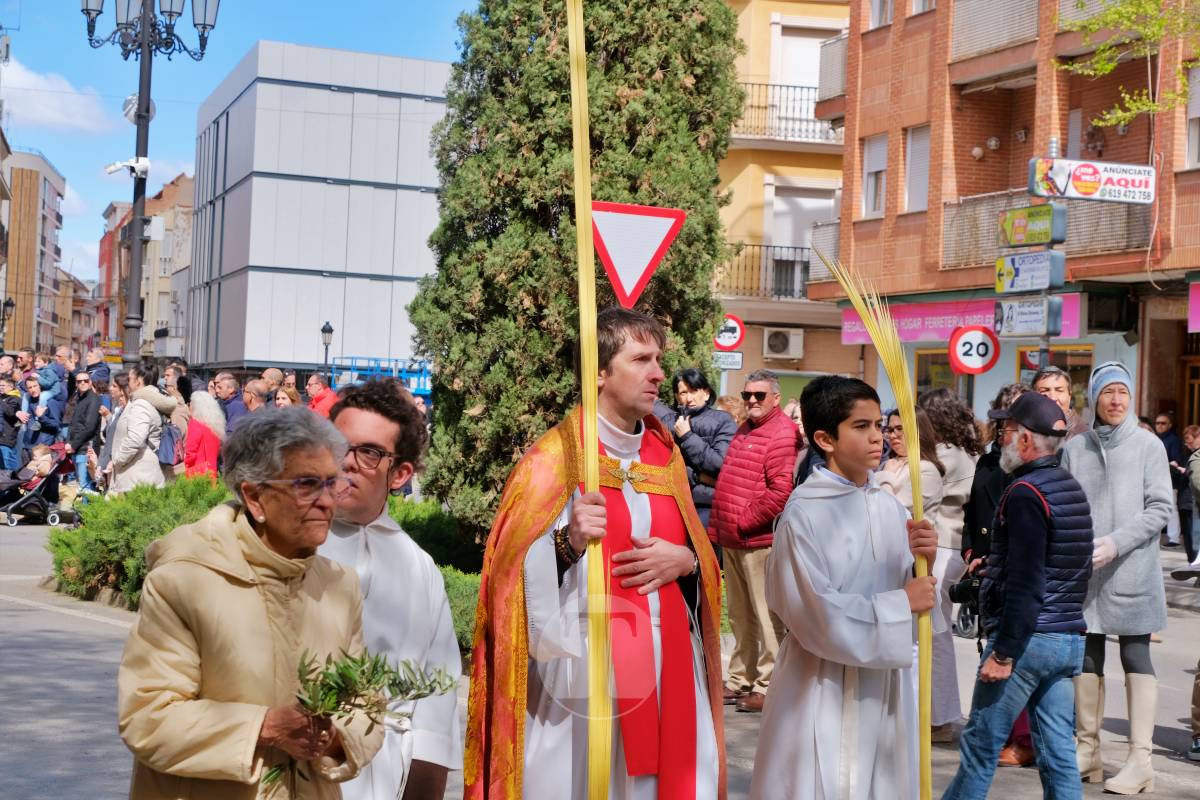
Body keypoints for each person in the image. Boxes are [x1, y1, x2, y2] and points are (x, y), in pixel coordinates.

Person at [465, 307, 724, 799]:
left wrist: (687, 562)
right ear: (600, 373)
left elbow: (701, 557)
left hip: (668, 667)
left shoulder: (664, 456)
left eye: (659, 360)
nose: (658, 374)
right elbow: (507, 578)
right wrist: (569, 542)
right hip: (584, 677)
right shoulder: (556, 457)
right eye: (641, 359)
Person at [117, 408, 384, 799]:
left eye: (333, 483)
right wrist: (265, 727)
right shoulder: (185, 581)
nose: (328, 502)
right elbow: (148, 717)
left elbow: (366, 702)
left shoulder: (339, 586)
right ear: (255, 497)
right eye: (307, 485)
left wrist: (333, 737)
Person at [747, 375, 938, 800]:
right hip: (820, 683)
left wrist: (924, 562)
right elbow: (814, 610)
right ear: (824, 438)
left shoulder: (890, 506)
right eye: (861, 426)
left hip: (882, 683)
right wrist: (900, 602)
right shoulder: (803, 514)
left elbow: (915, 596)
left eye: (878, 425)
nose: (878, 438)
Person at [941, 392, 1093, 799]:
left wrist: (1004, 653)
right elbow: (1064, 566)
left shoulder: (1027, 493)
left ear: (1026, 440)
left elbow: (1029, 582)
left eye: (1006, 430)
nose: (1001, 438)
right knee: (1058, 750)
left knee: (980, 748)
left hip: (1028, 642)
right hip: (1065, 639)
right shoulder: (1068, 487)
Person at [319, 380, 462, 799]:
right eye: (337, 445)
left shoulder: (419, 569)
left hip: (380, 771)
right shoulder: (285, 543)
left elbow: (436, 707)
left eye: (367, 453)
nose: (346, 462)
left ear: (399, 474)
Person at [1060, 361, 1172, 794]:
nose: (1116, 400)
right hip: (1086, 573)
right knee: (1086, 656)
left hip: (1132, 569)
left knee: (1135, 656)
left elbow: (1161, 507)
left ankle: (1140, 760)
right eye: (1107, 392)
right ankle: (1087, 750)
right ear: (1093, 398)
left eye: (1123, 392)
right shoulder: (1076, 448)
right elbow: (1066, 506)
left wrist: (1116, 542)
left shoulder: (1149, 446)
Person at [709, 369, 799, 713]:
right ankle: (739, 678)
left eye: (759, 396)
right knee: (741, 616)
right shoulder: (747, 427)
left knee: (765, 616)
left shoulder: (782, 433)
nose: (751, 401)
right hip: (733, 537)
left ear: (775, 398)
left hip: (757, 540)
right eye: (747, 395)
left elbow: (780, 491)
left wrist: (744, 521)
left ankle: (767, 683)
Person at [962, 382, 1037, 767]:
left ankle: (1022, 738)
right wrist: (971, 549)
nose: (1004, 427)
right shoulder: (988, 462)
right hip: (986, 564)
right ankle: (1002, 732)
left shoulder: (1030, 467)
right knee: (993, 646)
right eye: (1001, 418)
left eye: (1010, 420)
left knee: (1012, 653)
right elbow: (974, 510)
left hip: (1013, 568)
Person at [917, 388, 982, 740]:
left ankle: (938, 717)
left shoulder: (943, 455)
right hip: (952, 547)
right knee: (936, 632)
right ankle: (937, 713)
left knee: (935, 633)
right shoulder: (964, 451)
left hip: (943, 545)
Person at [671, 367, 736, 530]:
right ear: (677, 396)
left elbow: (719, 463)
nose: (689, 397)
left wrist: (687, 436)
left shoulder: (723, 420)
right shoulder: (671, 420)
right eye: (684, 392)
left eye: (694, 390)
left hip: (705, 506)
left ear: (706, 393)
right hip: (673, 501)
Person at [107, 364, 177, 495]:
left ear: (138, 381)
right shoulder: (148, 401)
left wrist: (118, 459)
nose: (128, 383)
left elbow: (135, 439)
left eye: (130, 379)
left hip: (139, 475)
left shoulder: (141, 404)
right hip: (141, 472)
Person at [65, 371, 102, 491]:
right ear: (76, 384)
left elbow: (89, 427)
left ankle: (86, 510)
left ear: (90, 382)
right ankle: (83, 509)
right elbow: (75, 425)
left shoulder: (93, 399)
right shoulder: (80, 399)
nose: (83, 383)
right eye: (79, 381)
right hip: (77, 448)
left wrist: (73, 444)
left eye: (85, 380)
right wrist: (69, 442)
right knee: (82, 484)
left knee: (85, 484)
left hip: (86, 449)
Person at [1032, 365, 1088, 439]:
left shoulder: (1082, 436)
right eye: (1044, 391)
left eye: (1059, 390)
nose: (1053, 398)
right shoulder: (1024, 427)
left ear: (1069, 394)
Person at [17, 375, 61, 458]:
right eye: (30, 387)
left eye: (35, 386)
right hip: (27, 447)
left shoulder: (50, 402)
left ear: (40, 386)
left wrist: (42, 417)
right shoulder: (26, 402)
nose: (33, 390)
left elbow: (56, 426)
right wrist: (18, 414)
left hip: (43, 447)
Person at [184, 392, 225, 480]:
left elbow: (191, 451)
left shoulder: (195, 423)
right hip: (212, 470)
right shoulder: (215, 424)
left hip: (197, 472)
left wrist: (186, 466)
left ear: (196, 406)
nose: (189, 406)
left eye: (190, 403)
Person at [98, 374, 130, 480]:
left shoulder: (128, 411)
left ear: (123, 390)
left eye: (114, 386)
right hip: (108, 462)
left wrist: (112, 462)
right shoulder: (118, 409)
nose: (110, 388)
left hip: (117, 465)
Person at [0, 376, 21, 471]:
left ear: (11, 386)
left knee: (8, 462)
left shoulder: (15, 398)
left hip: (7, 437)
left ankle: (13, 483)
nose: (1, 387)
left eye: (3, 385)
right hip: (1, 437)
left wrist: (1, 402)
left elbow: (11, 413)